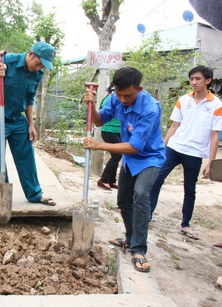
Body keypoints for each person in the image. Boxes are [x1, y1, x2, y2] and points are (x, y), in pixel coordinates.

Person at [83, 67, 166, 273]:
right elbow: (100, 121)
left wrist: (99, 145)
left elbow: (135, 146)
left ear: (139, 89)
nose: (122, 99)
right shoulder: (116, 98)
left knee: (140, 195)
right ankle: (130, 239)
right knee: (123, 201)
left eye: (127, 95)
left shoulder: (150, 109)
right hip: (130, 159)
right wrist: (91, 106)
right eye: (119, 94)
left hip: (150, 158)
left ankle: (138, 249)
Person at [0, 41, 57, 206]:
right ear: (30, 54)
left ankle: (35, 194)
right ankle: (2, 194)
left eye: (43, 65)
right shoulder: (6, 61)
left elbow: (30, 99)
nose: (39, 67)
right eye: (38, 62)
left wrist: (30, 124)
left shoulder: (37, 74)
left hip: (17, 118)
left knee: (26, 154)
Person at [149, 66, 222, 240]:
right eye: (192, 79)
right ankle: (147, 215)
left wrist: (210, 162)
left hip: (195, 153)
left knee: (189, 189)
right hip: (174, 147)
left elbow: (214, 135)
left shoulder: (216, 105)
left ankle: (185, 224)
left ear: (208, 81)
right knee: (156, 179)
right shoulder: (183, 100)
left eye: (198, 79)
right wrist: (162, 148)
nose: (194, 82)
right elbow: (174, 126)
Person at [97, 84, 121, 191]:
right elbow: (102, 115)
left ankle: (112, 180)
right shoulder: (109, 99)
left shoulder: (121, 99)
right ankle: (104, 180)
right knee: (117, 155)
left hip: (118, 131)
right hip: (109, 130)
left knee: (117, 156)